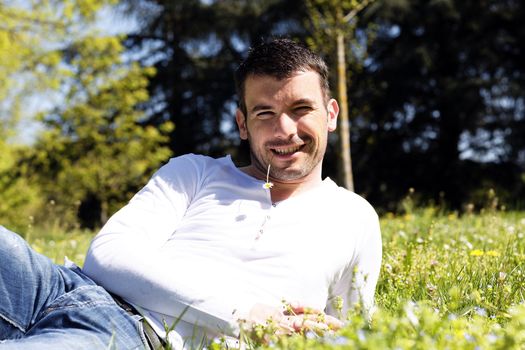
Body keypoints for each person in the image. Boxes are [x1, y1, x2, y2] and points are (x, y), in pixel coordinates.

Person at [0, 38, 382, 349]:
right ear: (243, 124)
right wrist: (245, 315)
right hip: (62, 285)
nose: (285, 130)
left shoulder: (355, 218)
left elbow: (353, 333)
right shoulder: (193, 171)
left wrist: (322, 335)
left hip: (132, 336)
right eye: (264, 113)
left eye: (301, 108)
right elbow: (106, 256)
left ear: (330, 114)